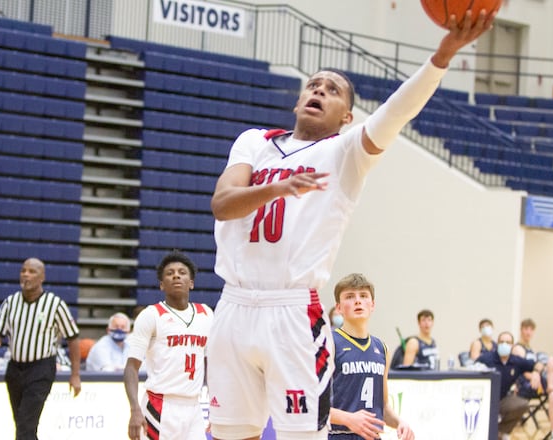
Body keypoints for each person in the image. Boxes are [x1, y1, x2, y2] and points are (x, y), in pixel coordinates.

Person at [207, 9, 495, 440]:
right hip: (232, 307)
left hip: (292, 314)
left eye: (333, 89)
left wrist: (443, 54)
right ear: (297, 100)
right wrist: (279, 188)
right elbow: (222, 204)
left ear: (347, 116)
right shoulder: (254, 142)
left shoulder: (345, 153)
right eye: (313, 84)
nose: (319, 90)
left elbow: (397, 113)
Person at [0, 257, 81, 440]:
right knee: (22, 423)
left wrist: (75, 374)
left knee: (25, 424)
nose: (26, 275)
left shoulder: (55, 304)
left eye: (32, 271)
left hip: (41, 368)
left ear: (42, 277)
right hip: (14, 368)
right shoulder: (10, 302)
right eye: (23, 271)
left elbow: (73, 338)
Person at [124, 251, 213, 440]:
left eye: (182, 272)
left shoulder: (206, 314)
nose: (176, 275)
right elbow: (131, 367)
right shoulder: (151, 315)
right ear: (162, 284)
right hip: (159, 405)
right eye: (170, 273)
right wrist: (135, 410)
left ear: (191, 282)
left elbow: (211, 365)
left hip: (194, 406)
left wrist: (215, 404)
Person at [328, 273, 414, 440]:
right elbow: (312, 405)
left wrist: (399, 423)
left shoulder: (381, 348)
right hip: (337, 435)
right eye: (350, 296)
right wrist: (348, 418)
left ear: (372, 304)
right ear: (338, 308)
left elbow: (383, 406)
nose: (358, 301)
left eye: (363, 296)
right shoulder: (329, 343)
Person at [475, 331, 543, 440]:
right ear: (497, 344)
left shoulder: (516, 361)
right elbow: (472, 368)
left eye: (508, 342)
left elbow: (539, 364)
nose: (504, 344)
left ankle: (502, 431)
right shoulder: (486, 358)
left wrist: (536, 373)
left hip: (503, 398)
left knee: (522, 405)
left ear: (512, 345)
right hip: (484, 399)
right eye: (501, 342)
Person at [511, 318, 542, 398]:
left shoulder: (531, 349)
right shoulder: (518, 348)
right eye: (526, 329)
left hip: (534, 378)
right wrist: (533, 376)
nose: (528, 332)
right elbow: (521, 368)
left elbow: (538, 365)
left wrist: (536, 373)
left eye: (531, 330)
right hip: (522, 381)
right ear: (521, 330)